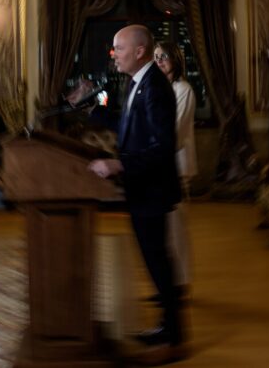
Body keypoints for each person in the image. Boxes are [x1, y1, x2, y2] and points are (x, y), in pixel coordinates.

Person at [88, 24, 186, 363]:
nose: (113, 54)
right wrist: (94, 111)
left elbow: (162, 147)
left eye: (119, 48)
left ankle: (174, 339)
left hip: (152, 190)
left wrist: (119, 164)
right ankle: (166, 327)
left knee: (159, 263)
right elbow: (128, 127)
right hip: (142, 189)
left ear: (140, 51)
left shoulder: (155, 87)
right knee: (154, 261)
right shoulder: (137, 83)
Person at [153, 41, 196, 302]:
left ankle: (181, 285)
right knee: (164, 233)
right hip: (159, 166)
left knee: (177, 230)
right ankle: (167, 285)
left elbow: (175, 132)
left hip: (176, 167)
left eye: (164, 56)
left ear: (176, 59)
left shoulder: (183, 90)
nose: (159, 61)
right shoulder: (160, 89)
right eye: (156, 57)